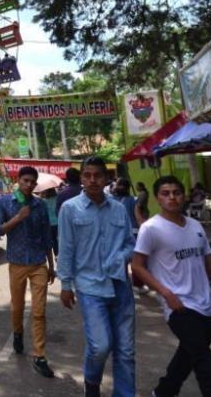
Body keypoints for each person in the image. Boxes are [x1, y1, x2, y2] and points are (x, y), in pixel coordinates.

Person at [131, 176, 211, 397]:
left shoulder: (195, 226)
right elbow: (137, 266)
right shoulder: (151, 228)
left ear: (184, 196)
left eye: (176, 192)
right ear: (158, 198)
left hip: (206, 305)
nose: (172, 197)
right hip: (179, 307)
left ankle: (163, 391)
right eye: (165, 193)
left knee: (188, 355)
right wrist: (165, 293)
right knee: (204, 364)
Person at [57, 157, 136, 397]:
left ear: (106, 178)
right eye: (87, 175)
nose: (92, 180)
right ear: (81, 178)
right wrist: (66, 284)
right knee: (100, 346)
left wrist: (120, 258)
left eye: (97, 175)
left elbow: (130, 244)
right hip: (89, 286)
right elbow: (66, 248)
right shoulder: (70, 209)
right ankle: (92, 383)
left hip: (120, 285)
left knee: (126, 351)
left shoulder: (119, 208)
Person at [0, 166, 56, 378]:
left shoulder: (40, 205)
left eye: (32, 182)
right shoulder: (5, 202)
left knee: (39, 311)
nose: (29, 185)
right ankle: (18, 333)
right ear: (18, 181)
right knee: (17, 307)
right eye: (25, 181)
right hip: (17, 262)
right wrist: (17, 218)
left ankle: (39, 356)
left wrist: (51, 265)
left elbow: (47, 236)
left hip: (39, 262)